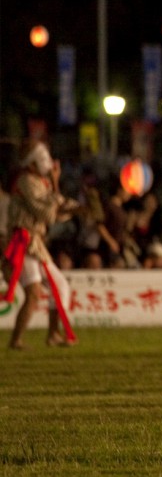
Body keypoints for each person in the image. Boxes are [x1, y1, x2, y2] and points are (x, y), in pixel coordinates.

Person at [5, 141, 79, 349]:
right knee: (34, 293)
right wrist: (56, 182)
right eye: (42, 158)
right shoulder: (26, 181)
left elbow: (59, 208)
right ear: (31, 164)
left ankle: (53, 334)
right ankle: (16, 340)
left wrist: (81, 210)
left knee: (60, 286)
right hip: (22, 242)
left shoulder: (41, 182)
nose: (48, 162)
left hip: (35, 243)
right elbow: (46, 214)